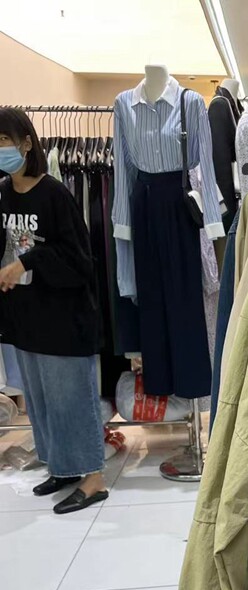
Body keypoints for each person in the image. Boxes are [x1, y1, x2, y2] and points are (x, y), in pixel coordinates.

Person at [0, 108, 108, 514]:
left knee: (72, 402)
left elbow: (79, 261)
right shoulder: (3, 193)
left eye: (3, 141)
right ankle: (63, 468)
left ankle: (93, 480)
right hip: (25, 318)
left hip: (64, 319)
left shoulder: (55, 194)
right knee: (42, 404)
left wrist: (28, 263)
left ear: (26, 143)